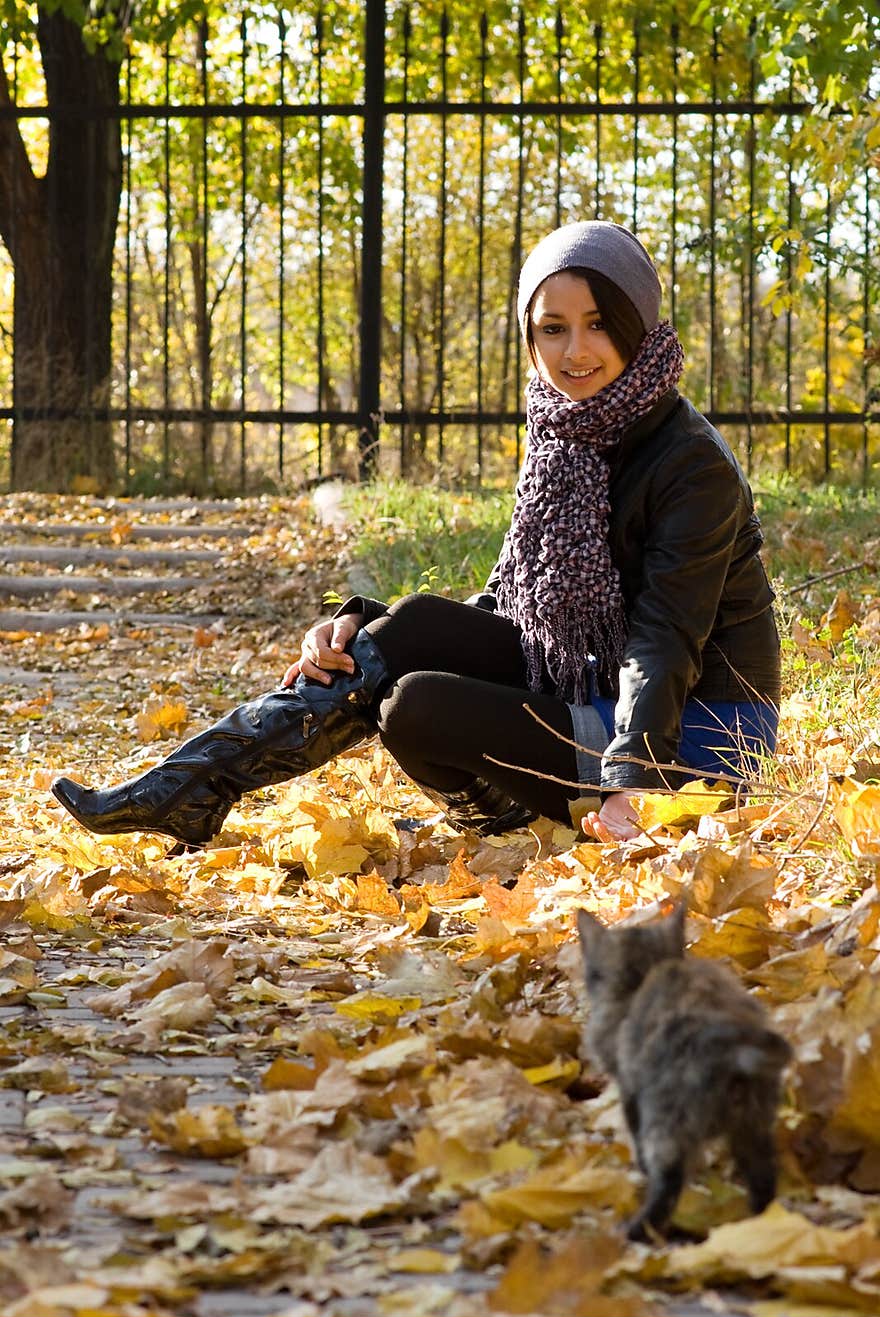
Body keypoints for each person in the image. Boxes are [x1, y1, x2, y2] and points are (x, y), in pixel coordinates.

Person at [51, 220, 780, 848]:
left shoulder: (691, 465)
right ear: (529, 337)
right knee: (414, 624)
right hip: (598, 684)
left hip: (697, 734)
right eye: (552, 328)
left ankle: (503, 816)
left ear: (638, 326)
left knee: (417, 706)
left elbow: (664, 642)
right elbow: (510, 602)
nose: (575, 351)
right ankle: (191, 787)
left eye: (598, 324)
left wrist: (634, 784)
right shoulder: (566, 434)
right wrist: (357, 621)